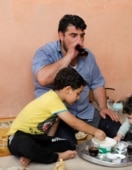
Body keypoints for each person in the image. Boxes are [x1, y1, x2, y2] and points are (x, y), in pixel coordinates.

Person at [32, 14, 121, 146]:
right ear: (61, 35)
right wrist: (68, 56)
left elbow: (97, 83)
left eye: (82, 36)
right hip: (59, 117)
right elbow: (43, 79)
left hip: (84, 112)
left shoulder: (88, 56)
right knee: (68, 146)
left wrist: (103, 107)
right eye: (74, 36)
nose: (79, 41)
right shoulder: (45, 53)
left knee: (119, 130)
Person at [7, 67, 106, 167]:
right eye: (78, 93)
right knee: (25, 145)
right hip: (18, 136)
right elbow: (75, 123)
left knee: (68, 144)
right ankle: (57, 156)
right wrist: (95, 131)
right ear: (68, 89)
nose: (78, 97)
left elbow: (52, 129)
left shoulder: (59, 104)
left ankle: (32, 155)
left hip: (38, 139)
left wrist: (49, 140)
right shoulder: (52, 99)